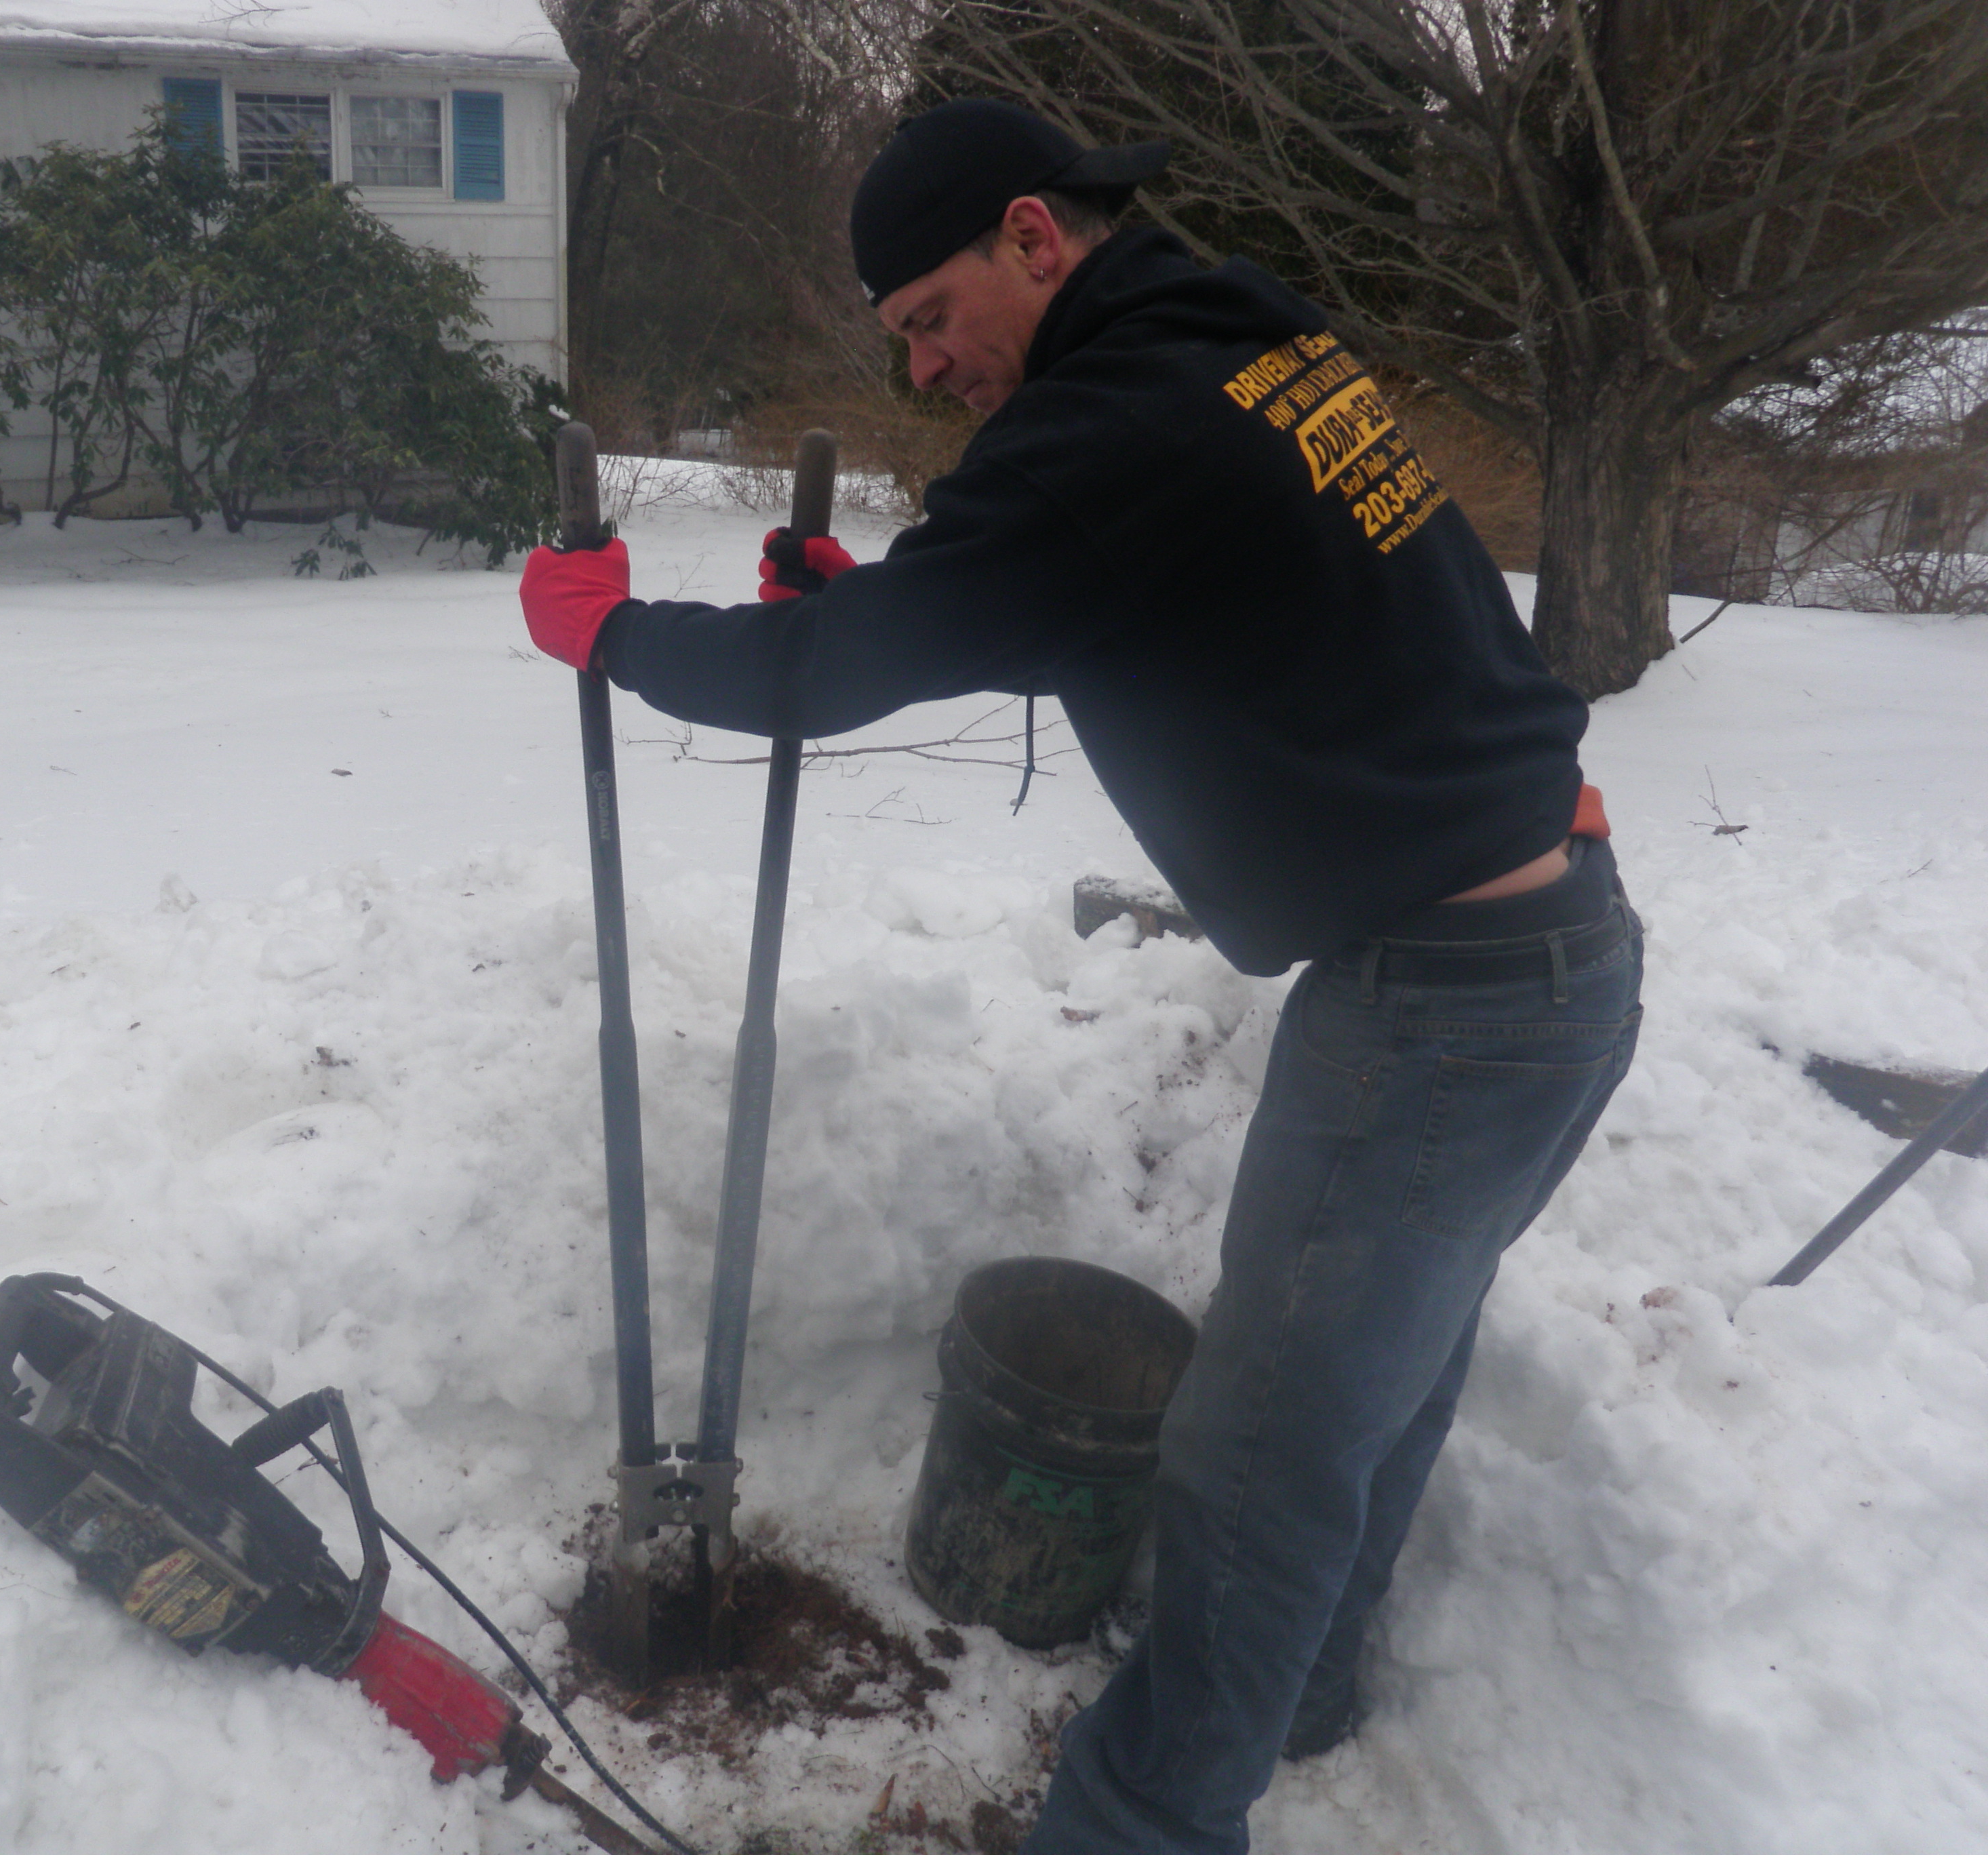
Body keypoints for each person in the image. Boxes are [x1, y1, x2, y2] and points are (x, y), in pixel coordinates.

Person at [519, 99, 1642, 1855]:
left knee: (1257, 1457)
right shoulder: (1237, 331)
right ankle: (1297, 1690)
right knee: (1383, 1387)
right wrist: (868, 597)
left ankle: (1141, 1824)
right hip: (1557, 949)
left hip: (1444, 1003)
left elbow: (868, 657)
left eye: (931, 322)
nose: (927, 367)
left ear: (1032, 238)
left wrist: (613, 633)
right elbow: (1141, 586)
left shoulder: (1116, 428)